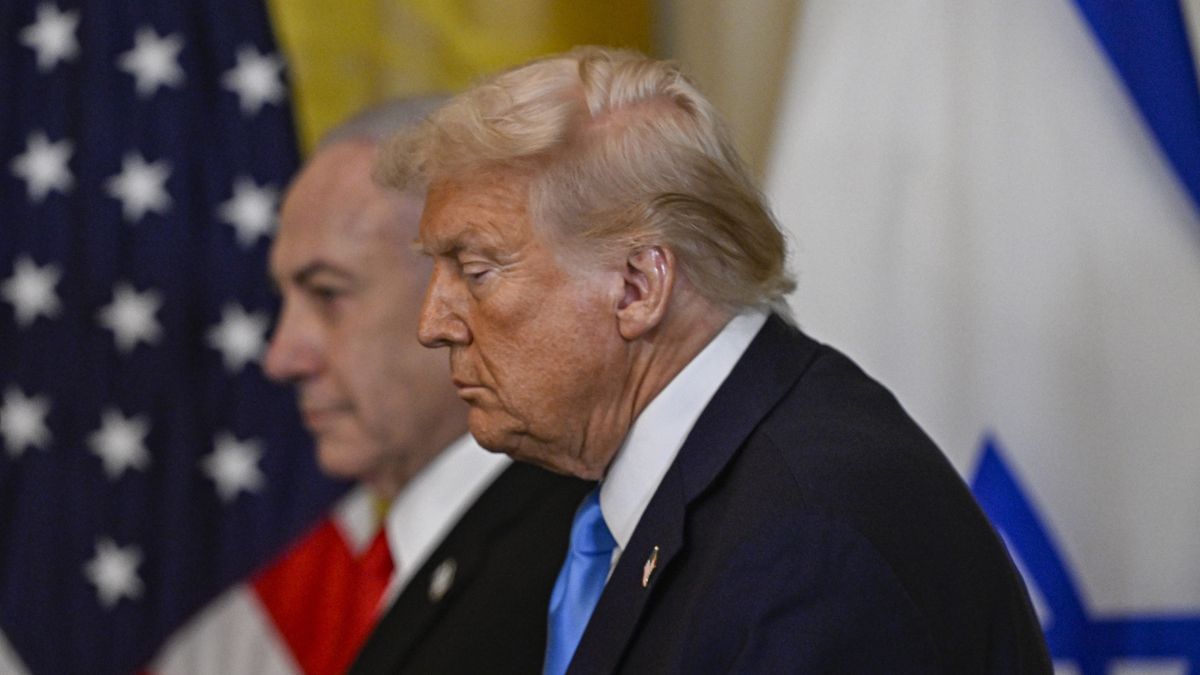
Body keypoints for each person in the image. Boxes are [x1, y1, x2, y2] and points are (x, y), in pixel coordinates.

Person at [380, 48, 1052, 673]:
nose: (432, 325)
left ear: (638, 287)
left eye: (476, 271)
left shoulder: (807, 542)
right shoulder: (729, 476)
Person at [263, 98, 592, 675]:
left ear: (474, 288)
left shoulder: (577, 566)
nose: (281, 357)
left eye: (328, 294)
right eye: (284, 300)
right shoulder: (447, 557)